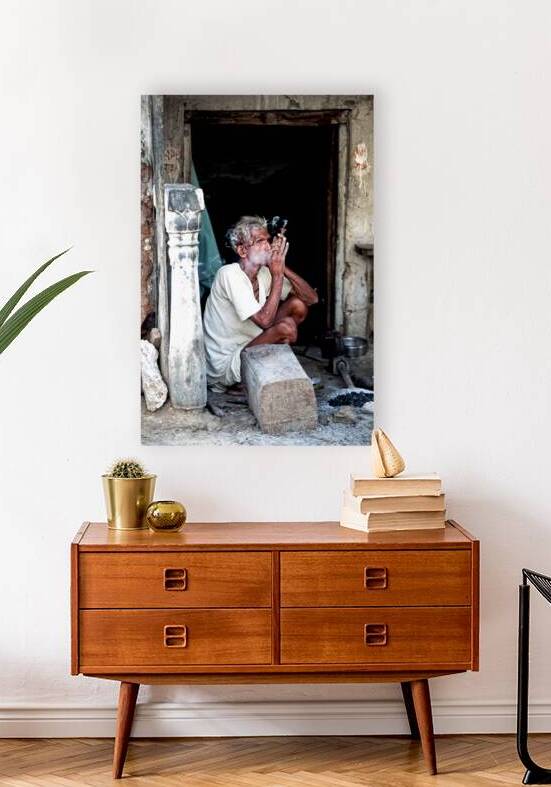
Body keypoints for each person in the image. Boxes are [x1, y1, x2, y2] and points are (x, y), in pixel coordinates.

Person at [203, 215, 318, 392]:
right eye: (259, 241)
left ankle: (265, 371)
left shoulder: (264, 273)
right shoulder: (229, 274)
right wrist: (278, 276)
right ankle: (249, 380)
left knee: (298, 305)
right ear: (242, 251)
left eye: (268, 240)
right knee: (285, 329)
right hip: (226, 365)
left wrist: (281, 267)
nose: (267, 246)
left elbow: (311, 299)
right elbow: (265, 321)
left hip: (252, 344)